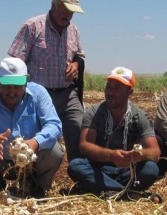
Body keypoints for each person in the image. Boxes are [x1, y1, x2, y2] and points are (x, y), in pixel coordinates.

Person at [8, 0, 85, 162]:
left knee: (79, 126)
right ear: (54, 5)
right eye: (66, 10)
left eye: (72, 12)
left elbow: (79, 56)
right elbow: (16, 63)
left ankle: (79, 171)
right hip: (38, 95)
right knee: (38, 135)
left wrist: (75, 64)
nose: (69, 16)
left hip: (67, 94)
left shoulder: (74, 30)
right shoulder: (32, 27)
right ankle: (32, 173)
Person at [0, 57, 63, 198]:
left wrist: (35, 142)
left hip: (31, 159)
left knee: (55, 152)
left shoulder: (38, 94)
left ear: (27, 80)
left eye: (17, 86)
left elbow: (54, 125)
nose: (12, 92)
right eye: (6, 86)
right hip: (0, 160)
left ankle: (36, 186)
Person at [67, 67, 161, 198]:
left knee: (151, 169)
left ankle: (109, 192)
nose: (110, 92)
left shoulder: (140, 116)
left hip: (127, 171)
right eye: (108, 87)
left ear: (130, 92)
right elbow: (85, 146)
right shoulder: (94, 113)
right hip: (99, 170)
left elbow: (155, 152)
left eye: (117, 88)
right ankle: (129, 194)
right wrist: (111, 156)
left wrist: (139, 155)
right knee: (75, 166)